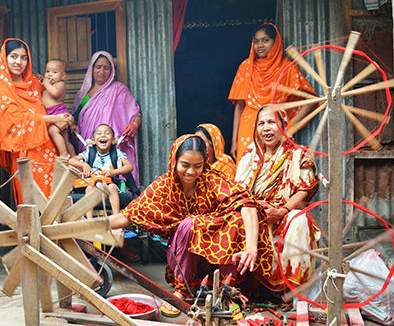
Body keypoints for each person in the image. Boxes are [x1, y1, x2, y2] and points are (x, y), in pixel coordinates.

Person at [109, 135, 274, 316]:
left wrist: (251, 248)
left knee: (237, 219)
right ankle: (181, 290)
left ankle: (227, 290)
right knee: (190, 223)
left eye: (198, 166)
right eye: (185, 165)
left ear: (205, 162)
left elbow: (247, 205)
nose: (191, 172)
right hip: (183, 258)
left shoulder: (212, 180)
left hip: (216, 258)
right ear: (174, 161)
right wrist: (83, 225)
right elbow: (127, 216)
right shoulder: (163, 186)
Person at [234, 105, 320, 291]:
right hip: (254, 214)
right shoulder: (250, 154)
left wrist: (281, 211)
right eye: (261, 123)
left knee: (299, 220)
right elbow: (238, 192)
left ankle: (294, 290)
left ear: (284, 125)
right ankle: (241, 286)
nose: (266, 128)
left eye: (271, 122)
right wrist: (255, 210)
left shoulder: (298, 154)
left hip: (284, 212)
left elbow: (303, 191)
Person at [0, 38, 72, 202]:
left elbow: (55, 102)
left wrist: (66, 118)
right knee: (32, 203)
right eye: (14, 56)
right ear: (4, 58)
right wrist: (53, 118)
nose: (19, 62)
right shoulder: (0, 88)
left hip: (49, 147)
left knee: (55, 199)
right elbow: (16, 119)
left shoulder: (36, 82)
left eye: (24, 57)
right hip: (25, 152)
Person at [228, 23, 316, 162]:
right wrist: (234, 141)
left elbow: (310, 100)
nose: (260, 45)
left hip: (276, 127)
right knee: (247, 173)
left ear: (276, 42)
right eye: (256, 41)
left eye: (265, 40)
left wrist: (290, 127)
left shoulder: (286, 67)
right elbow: (239, 107)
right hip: (248, 128)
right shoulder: (246, 67)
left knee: (276, 173)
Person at [72, 51, 141, 185]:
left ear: (111, 71)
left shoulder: (119, 90)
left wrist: (134, 125)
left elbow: (135, 115)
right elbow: (75, 116)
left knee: (114, 183)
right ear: (91, 68)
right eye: (98, 67)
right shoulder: (82, 94)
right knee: (89, 181)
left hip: (112, 145)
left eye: (106, 68)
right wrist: (72, 125)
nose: (101, 71)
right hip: (88, 143)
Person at [69, 124, 133, 219]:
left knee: (111, 188)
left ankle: (116, 218)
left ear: (113, 140)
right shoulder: (90, 153)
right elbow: (71, 161)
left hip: (110, 183)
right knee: (89, 189)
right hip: (94, 184)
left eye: (107, 133)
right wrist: (84, 164)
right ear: (94, 141)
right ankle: (89, 220)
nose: (103, 135)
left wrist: (113, 172)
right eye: (99, 133)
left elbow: (129, 167)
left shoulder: (116, 153)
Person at [40, 59, 76, 159]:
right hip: (50, 114)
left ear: (63, 75)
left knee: (52, 131)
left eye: (54, 72)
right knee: (65, 139)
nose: (50, 75)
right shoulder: (47, 85)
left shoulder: (60, 84)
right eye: (47, 71)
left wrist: (45, 83)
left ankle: (64, 154)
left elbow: (55, 93)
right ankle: (73, 156)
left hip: (59, 112)